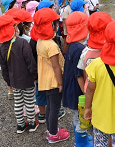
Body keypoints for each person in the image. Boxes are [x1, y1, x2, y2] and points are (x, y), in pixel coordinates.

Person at [0, 15, 39, 133]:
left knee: (18, 103)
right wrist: (35, 75)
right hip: (27, 80)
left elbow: (4, 68)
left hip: (14, 81)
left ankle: (20, 125)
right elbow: (30, 62)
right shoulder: (23, 43)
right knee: (29, 102)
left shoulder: (2, 48)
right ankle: (31, 123)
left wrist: (9, 81)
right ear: (14, 28)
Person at [34, 8, 70, 143]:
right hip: (54, 81)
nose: (57, 26)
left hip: (45, 80)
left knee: (50, 105)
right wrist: (61, 83)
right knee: (55, 107)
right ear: (49, 26)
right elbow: (56, 66)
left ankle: (50, 130)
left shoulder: (40, 41)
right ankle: (54, 134)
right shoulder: (51, 45)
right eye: (55, 23)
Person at [63, 11, 93, 146]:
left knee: (78, 116)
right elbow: (79, 74)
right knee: (80, 117)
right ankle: (80, 143)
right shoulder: (80, 49)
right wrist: (87, 96)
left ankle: (83, 139)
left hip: (71, 87)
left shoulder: (72, 44)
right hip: (77, 91)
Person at [77, 12, 113, 92]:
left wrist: (85, 91)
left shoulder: (85, 52)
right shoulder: (113, 51)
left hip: (91, 92)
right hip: (109, 92)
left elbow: (83, 73)